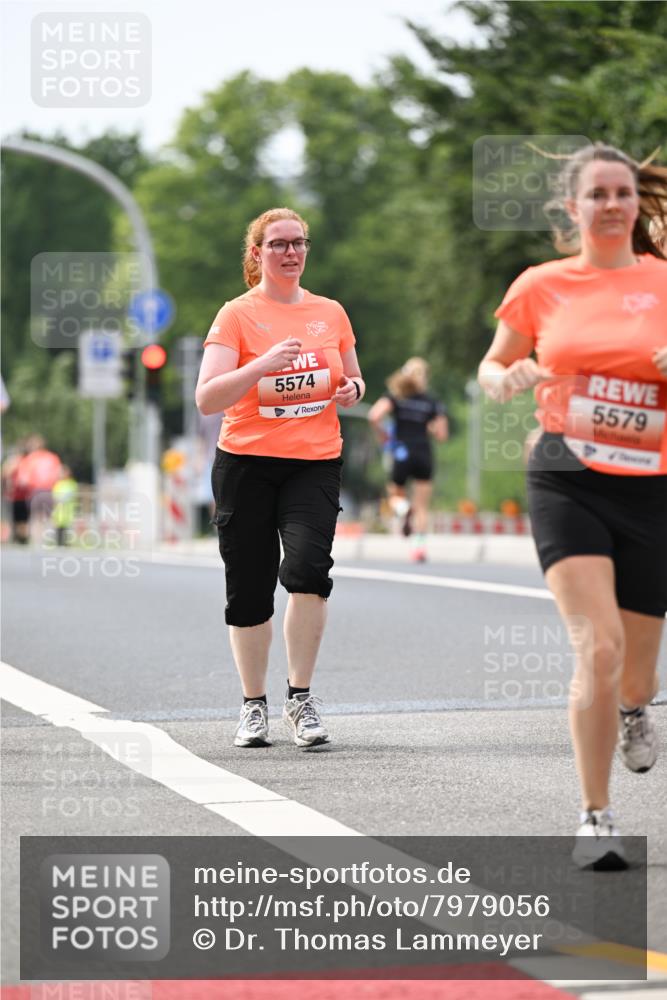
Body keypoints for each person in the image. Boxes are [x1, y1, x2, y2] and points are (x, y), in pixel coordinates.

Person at [478, 143, 667, 870]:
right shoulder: (540, 285)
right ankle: (595, 816)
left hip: (653, 482)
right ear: (572, 208)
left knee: (637, 670)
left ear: (634, 202)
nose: (612, 204)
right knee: (599, 645)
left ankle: (632, 710)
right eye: (597, 194)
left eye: (622, 192)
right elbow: (493, 364)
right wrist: (505, 378)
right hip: (564, 471)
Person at [196, 207, 365, 749]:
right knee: (249, 588)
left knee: (309, 570)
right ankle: (253, 705)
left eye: (298, 243)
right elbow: (207, 397)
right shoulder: (236, 316)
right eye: (278, 245)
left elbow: (355, 375)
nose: (290, 252)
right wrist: (261, 365)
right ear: (257, 254)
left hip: (314, 462)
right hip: (245, 463)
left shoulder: (330, 312)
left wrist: (353, 390)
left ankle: (300, 698)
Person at [368, 357, 448, 561]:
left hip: (401, 452)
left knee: (395, 494)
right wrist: (428, 427)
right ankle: (418, 549)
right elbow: (441, 435)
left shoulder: (396, 396)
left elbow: (374, 415)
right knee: (422, 506)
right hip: (423, 453)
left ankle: (403, 510)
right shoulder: (432, 402)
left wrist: (383, 435)